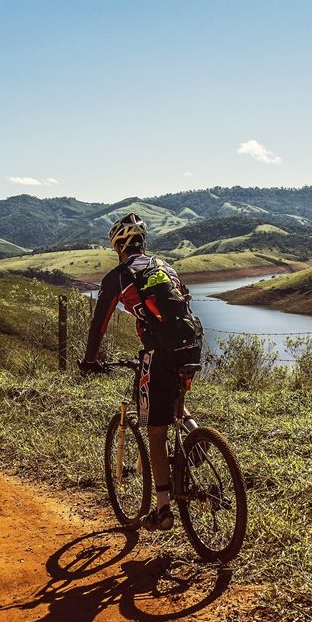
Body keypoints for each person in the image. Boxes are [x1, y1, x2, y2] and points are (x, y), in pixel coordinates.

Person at [80, 213, 202, 532]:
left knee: (156, 429)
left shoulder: (119, 276)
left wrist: (90, 360)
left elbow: (99, 324)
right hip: (191, 344)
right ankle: (199, 438)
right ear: (142, 243)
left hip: (159, 352)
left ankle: (162, 510)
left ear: (118, 246)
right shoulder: (165, 267)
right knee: (175, 405)